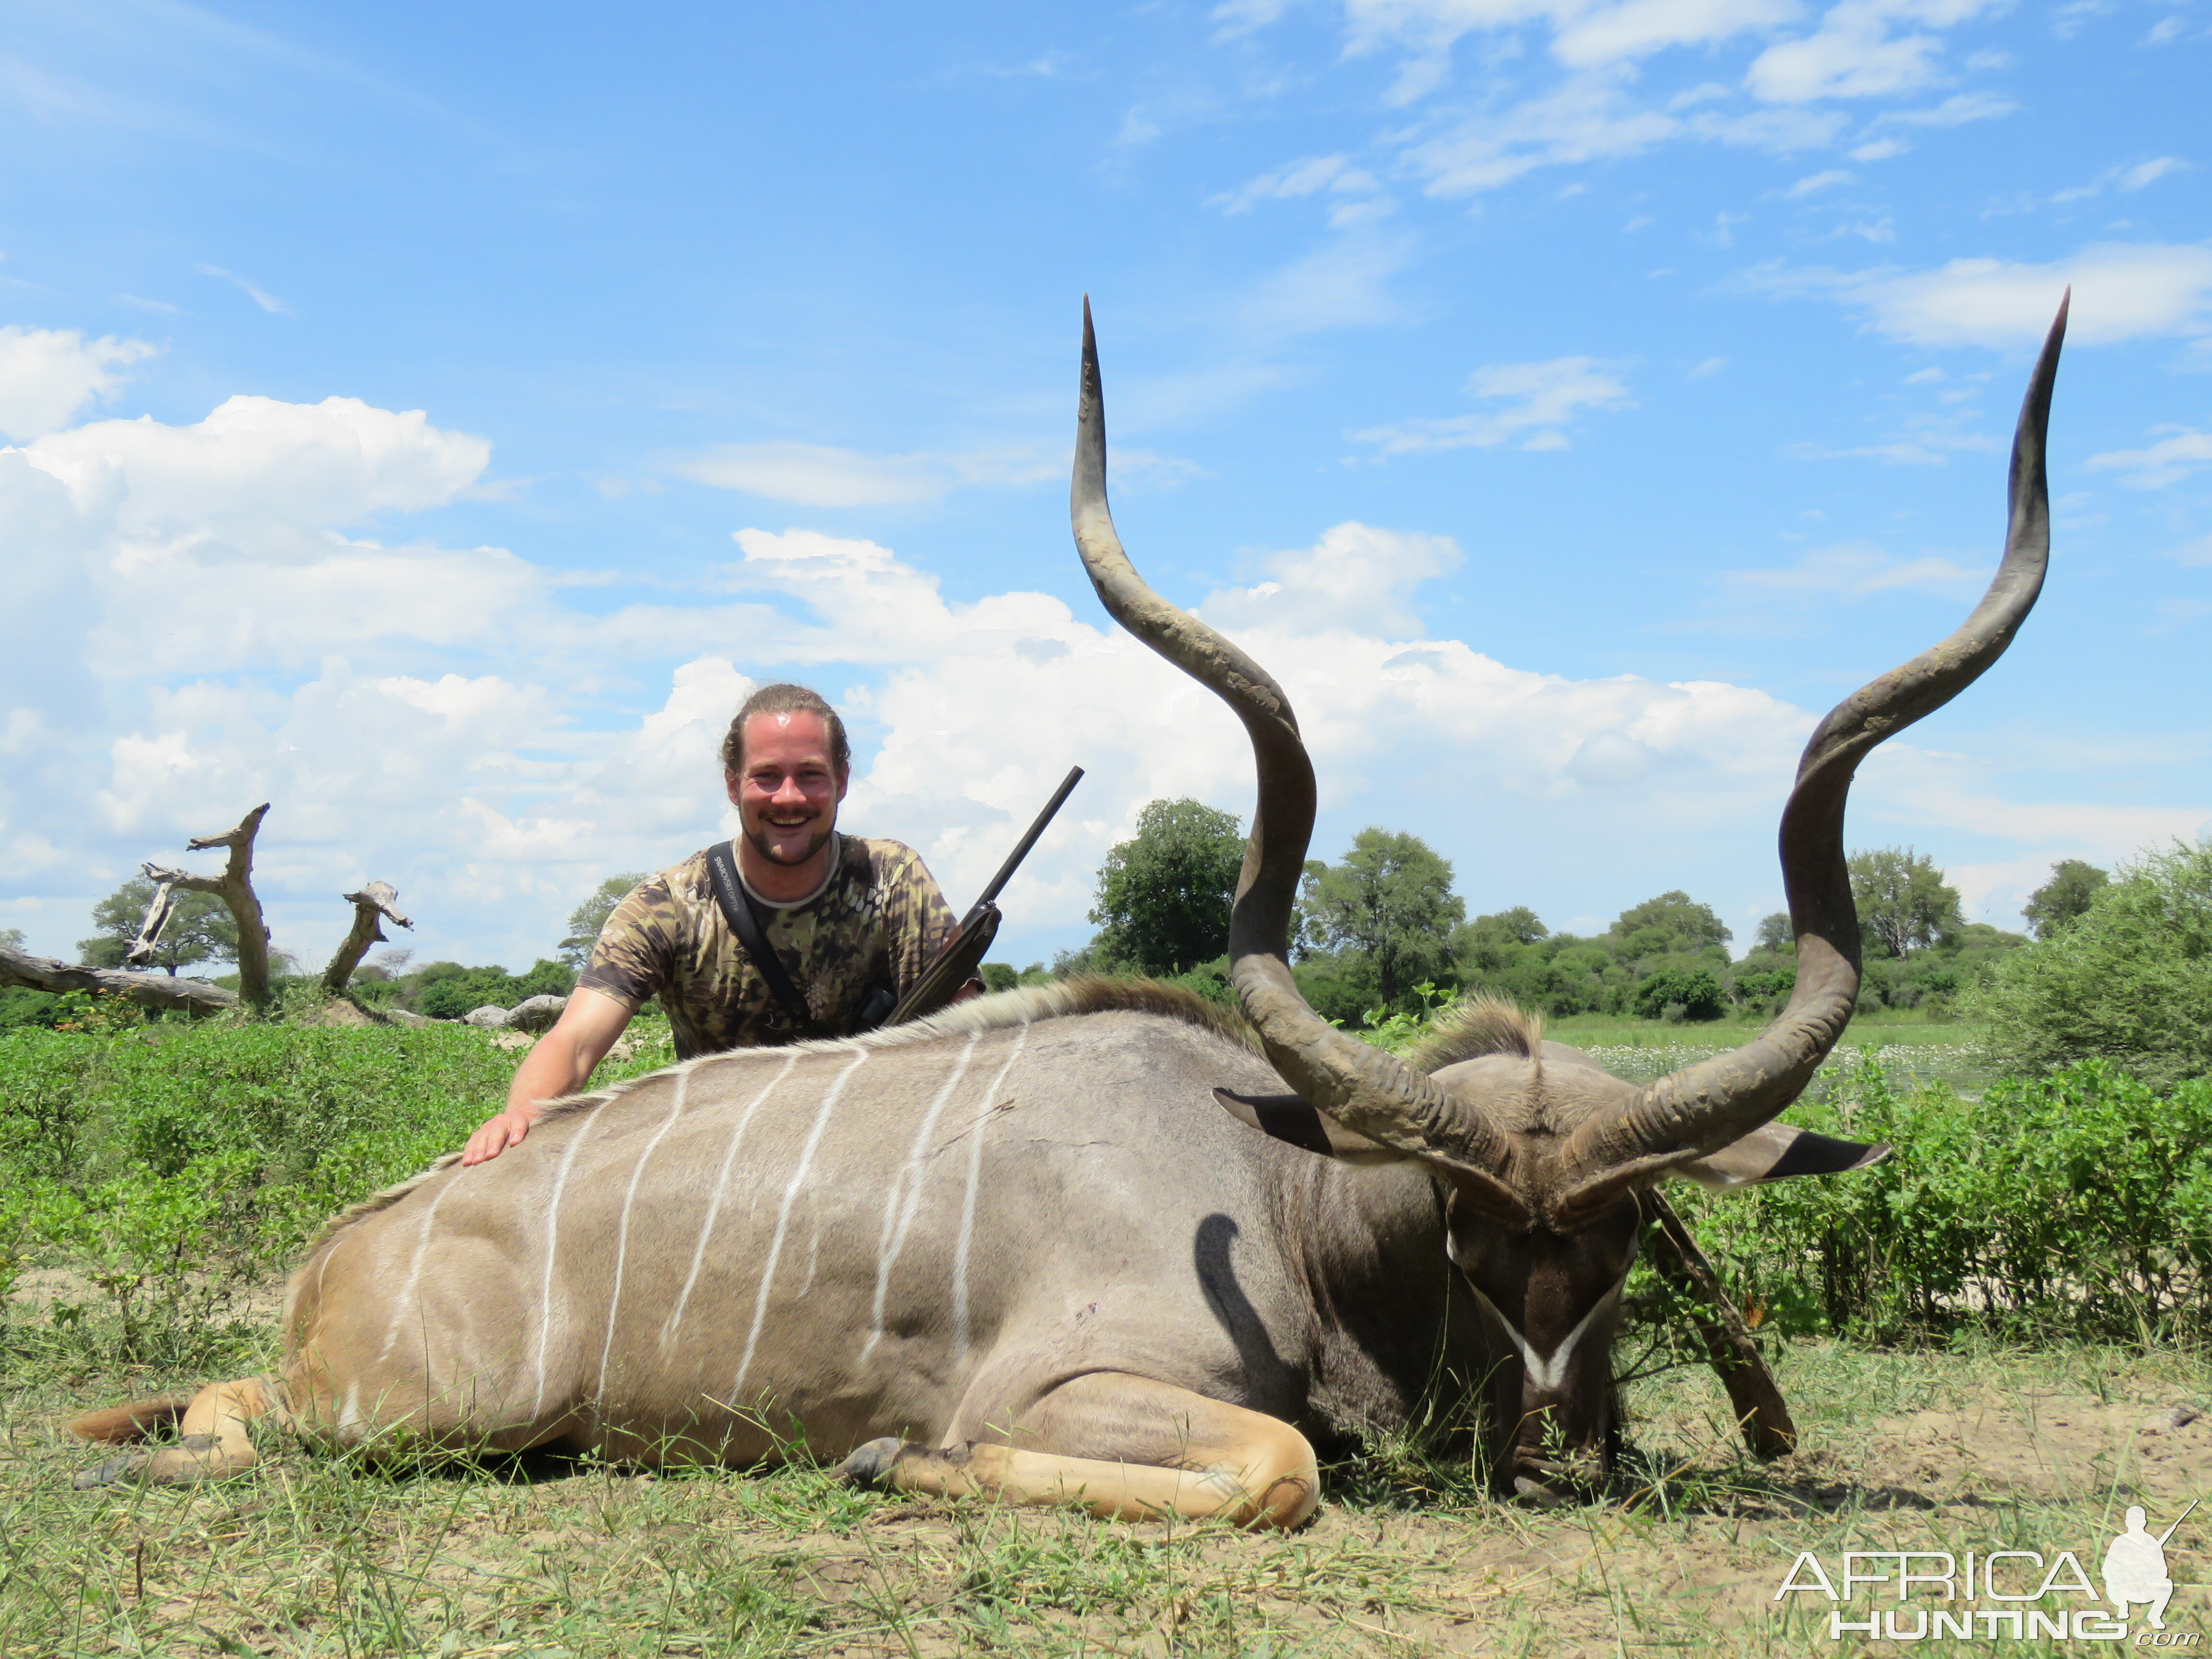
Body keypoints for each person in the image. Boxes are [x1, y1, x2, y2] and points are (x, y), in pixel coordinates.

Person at [461, 683, 955, 1166]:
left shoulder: (892, 878)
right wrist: (523, 1115)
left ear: (842, 780)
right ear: (732, 783)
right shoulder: (668, 904)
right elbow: (574, 1042)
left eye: (810, 775)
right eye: (767, 776)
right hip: (719, 1166)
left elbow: (963, 1035)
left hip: (871, 1152)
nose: (788, 798)